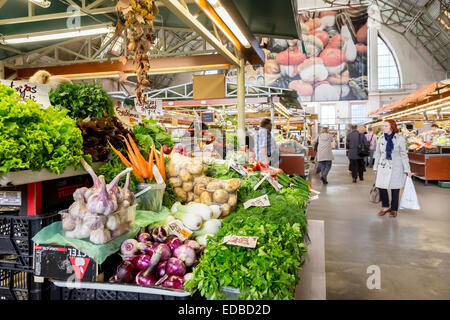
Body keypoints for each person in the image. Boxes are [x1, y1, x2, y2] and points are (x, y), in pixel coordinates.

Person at [373, 120, 413, 218]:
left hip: (396, 166)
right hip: (383, 166)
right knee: (382, 187)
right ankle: (386, 207)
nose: (383, 128)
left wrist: (407, 169)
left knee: (395, 188)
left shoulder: (400, 138)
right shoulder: (381, 138)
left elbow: (404, 155)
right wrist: (375, 167)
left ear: (391, 127)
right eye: (383, 126)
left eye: (386, 126)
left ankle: (394, 209)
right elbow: (377, 153)